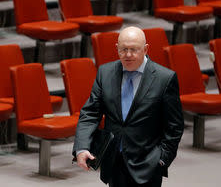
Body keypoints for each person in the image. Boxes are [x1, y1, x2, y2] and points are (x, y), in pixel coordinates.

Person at [73, 26, 184, 186]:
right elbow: (90, 113)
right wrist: (82, 147)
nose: (128, 55)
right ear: (117, 48)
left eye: (134, 49)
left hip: (148, 164)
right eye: (124, 49)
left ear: (146, 49)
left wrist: (162, 159)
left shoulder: (164, 78)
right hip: (114, 163)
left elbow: (174, 126)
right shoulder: (105, 73)